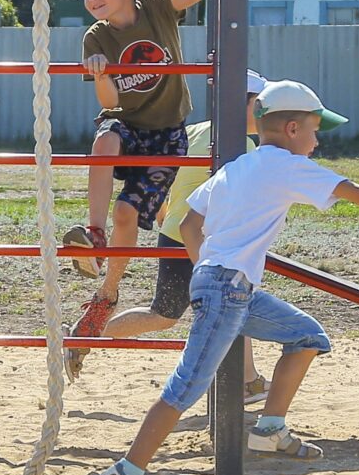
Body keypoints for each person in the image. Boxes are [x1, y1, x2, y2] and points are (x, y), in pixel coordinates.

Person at [89, 82, 359, 475]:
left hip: (226, 284)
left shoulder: (236, 168)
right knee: (186, 386)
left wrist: (206, 267)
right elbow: (357, 192)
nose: (317, 141)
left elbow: (189, 223)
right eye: (315, 131)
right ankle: (125, 473)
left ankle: (269, 429)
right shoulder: (286, 165)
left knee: (307, 336)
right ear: (292, 129)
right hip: (227, 287)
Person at [87, 70, 304, 398]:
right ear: (239, 105)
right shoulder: (242, 147)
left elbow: (164, 178)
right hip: (200, 240)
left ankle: (88, 334)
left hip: (176, 235)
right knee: (231, 299)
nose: (266, 113)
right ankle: (247, 381)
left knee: (164, 315)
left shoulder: (194, 132)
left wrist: (165, 216)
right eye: (260, 105)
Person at [63, 0, 207, 340]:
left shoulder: (157, 8)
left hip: (166, 134)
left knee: (127, 212)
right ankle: (94, 232)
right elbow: (110, 102)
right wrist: (102, 74)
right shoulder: (95, 38)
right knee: (106, 136)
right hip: (126, 124)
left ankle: (107, 293)